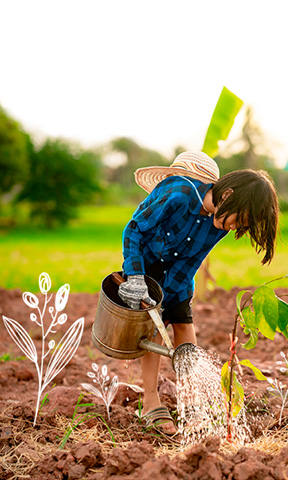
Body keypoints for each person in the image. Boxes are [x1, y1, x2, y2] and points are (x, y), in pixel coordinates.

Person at [118, 150, 279, 435]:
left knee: (185, 333)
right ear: (227, 195)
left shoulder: (218, 225)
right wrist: (136, 279)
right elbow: (134, 231)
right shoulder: (177, 194)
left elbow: (191, 262)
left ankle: (193, 403)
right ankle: (151, 401)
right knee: (153, 332)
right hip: (146, 267)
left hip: (179, 277)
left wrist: (168, 300)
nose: (234, 227)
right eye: (239, 220)